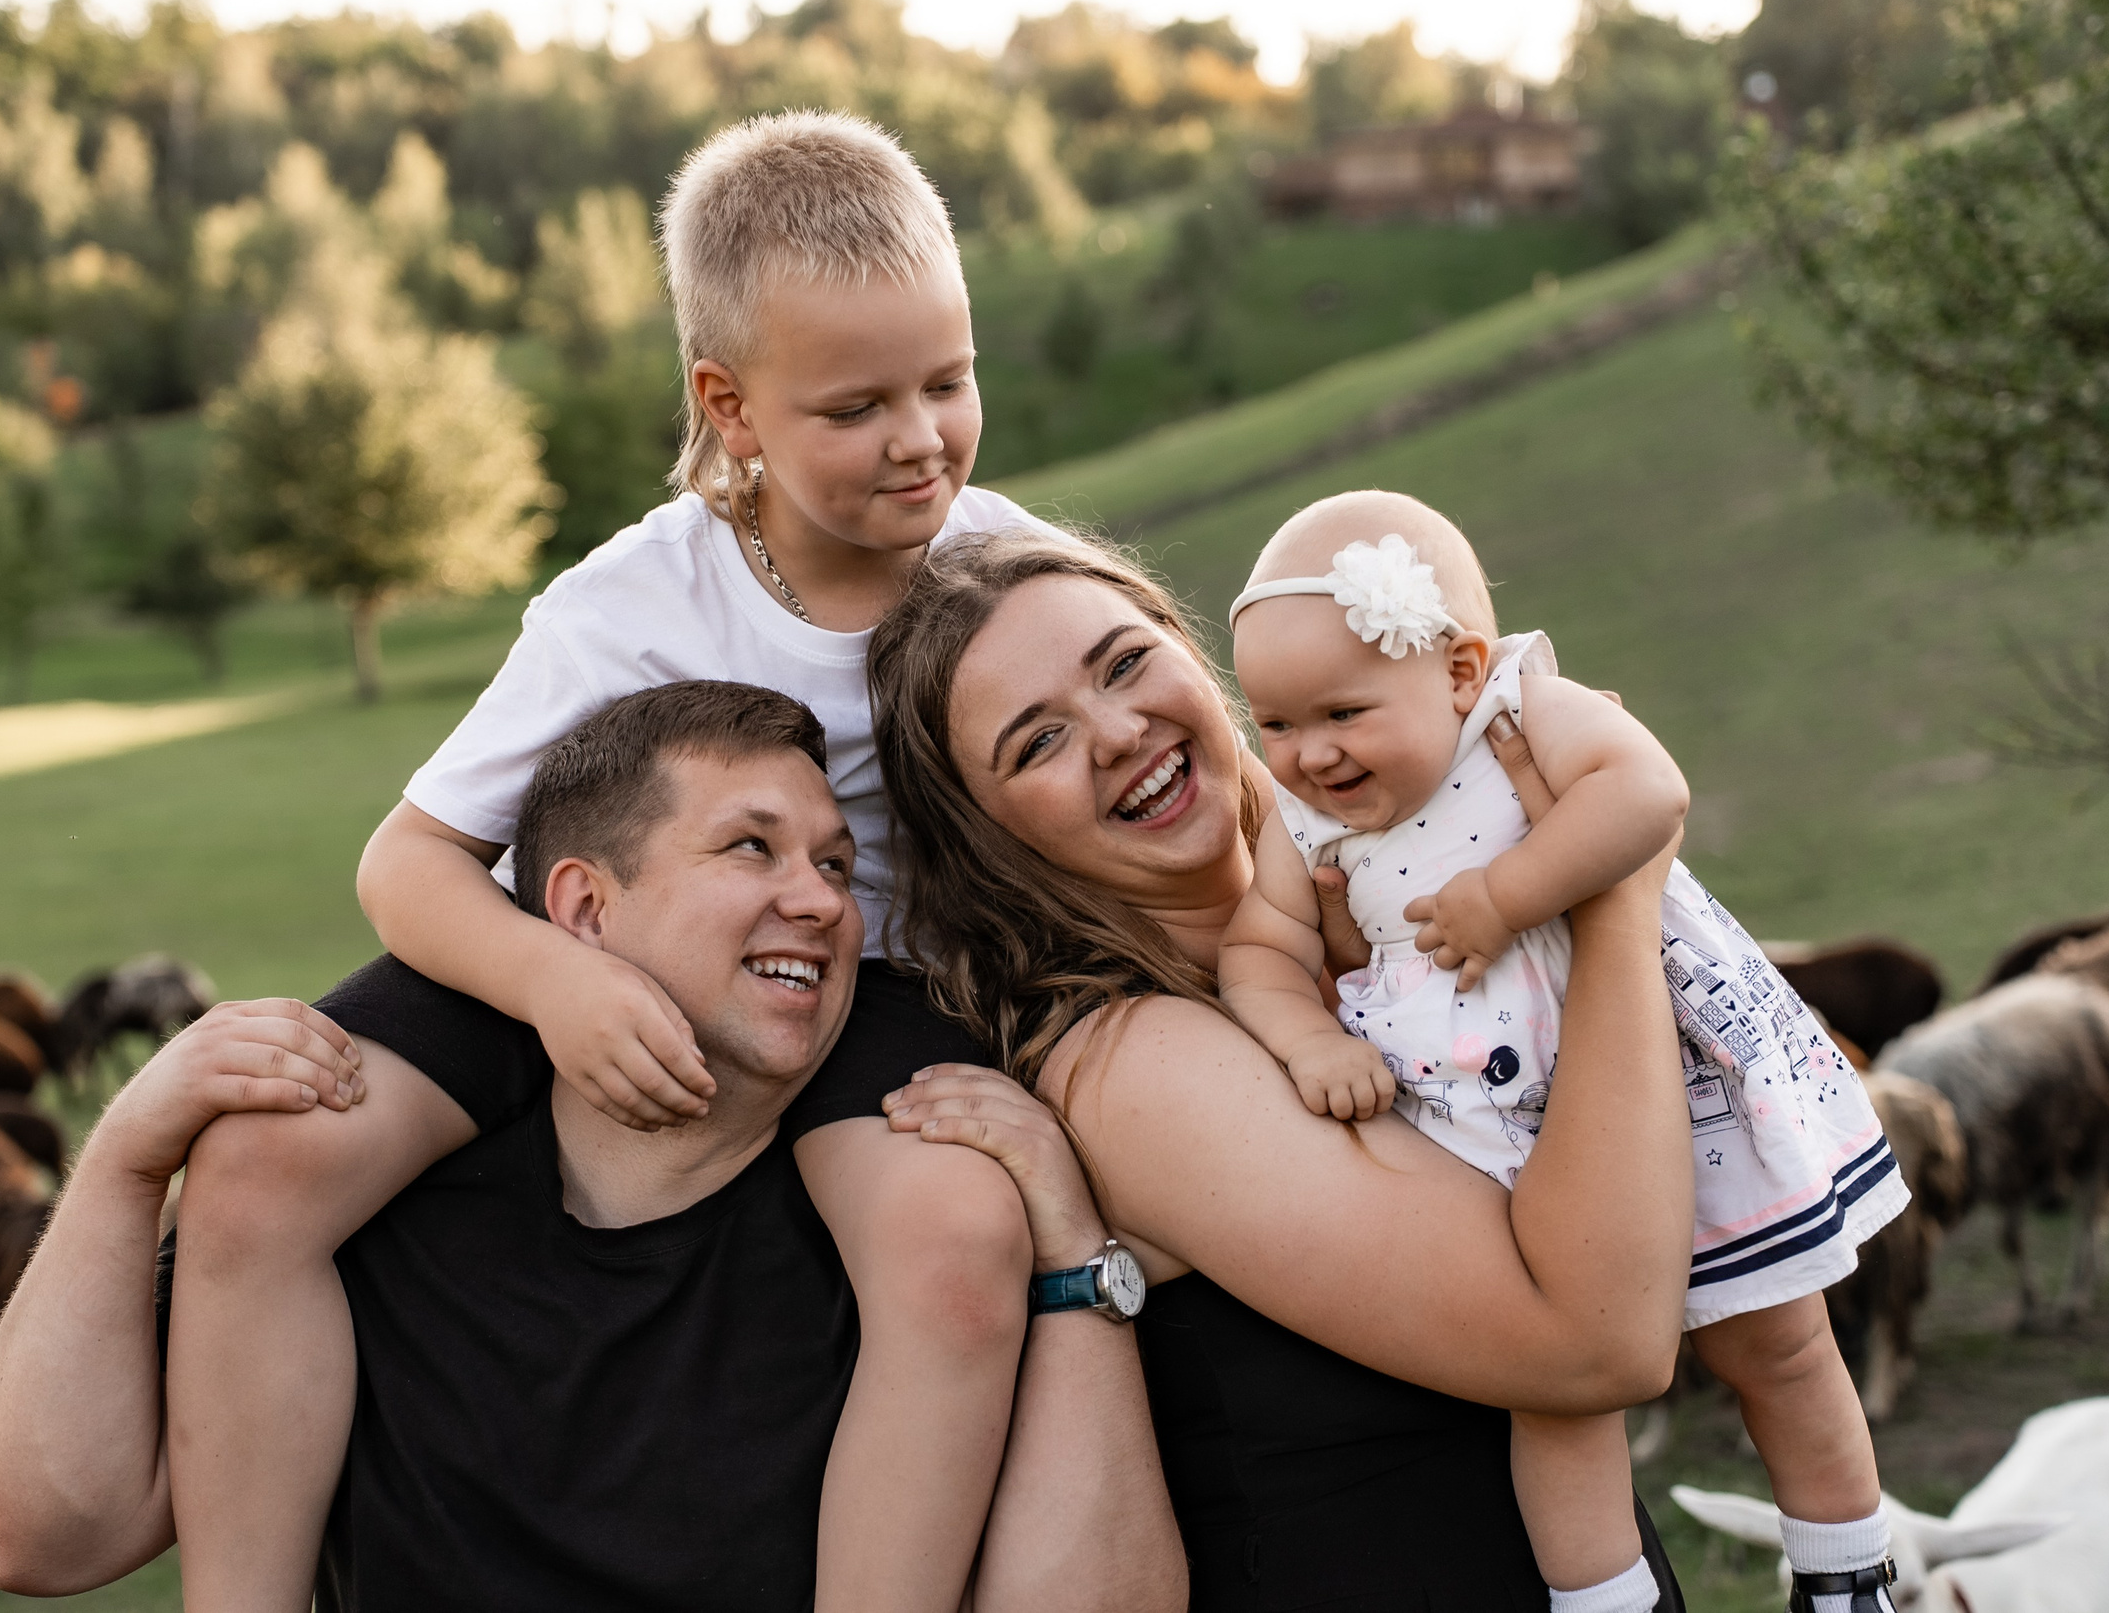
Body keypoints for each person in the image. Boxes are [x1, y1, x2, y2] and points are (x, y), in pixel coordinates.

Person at [164, 112, 1076, 1609]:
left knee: (953, 1239)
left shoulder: (1007, 571)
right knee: (263, 1165)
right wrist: (555, 986)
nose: (921, 436)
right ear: (732, 406)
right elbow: (408, 863)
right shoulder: (633, 601)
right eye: (856, 405)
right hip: (574, 956)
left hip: (863, 970)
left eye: (950, 380)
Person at [0, 681, 1185, 1610]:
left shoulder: (898, 1221)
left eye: (835, 863)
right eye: (748, 848)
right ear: (582, 913)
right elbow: (44, 1534)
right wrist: (130, 1158)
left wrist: (1075, 1251)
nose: (820, 903)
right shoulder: (374, 1214)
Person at [865, 527, 1699, 1611]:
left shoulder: (1393, 882)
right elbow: (1597, 1346)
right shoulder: (1127, 1064)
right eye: (1037, 744)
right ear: (986, 839)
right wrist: (1611, 897)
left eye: (1124, 664)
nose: (1119, 733)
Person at [1216, 491, 1908, 1613]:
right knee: (1554, 1393)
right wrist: (1301, 1039)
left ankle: (1843, 1574)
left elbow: (1648, 793)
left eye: (1342, 711)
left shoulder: (1525, 708)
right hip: (1480, 1128)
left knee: (1777, 1340)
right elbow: (1261, 947)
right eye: (1275, 724)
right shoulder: (1300, 822)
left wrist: (1509, 891)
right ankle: (1604, 1601)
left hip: (1657, 1082)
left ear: (1456, 669)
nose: (1308, 754)